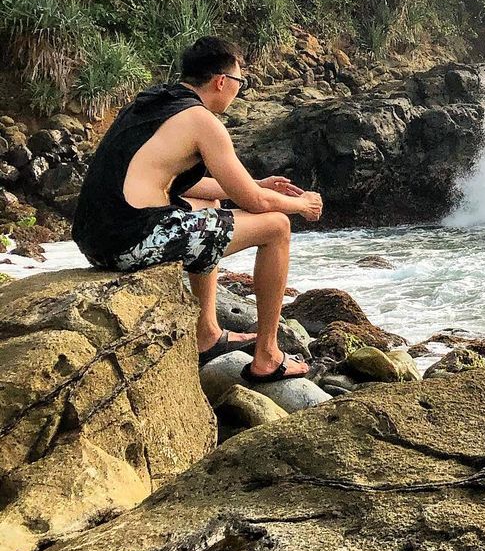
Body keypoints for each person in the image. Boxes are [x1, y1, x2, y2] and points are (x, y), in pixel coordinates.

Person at [72, 36, 322, 383]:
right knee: (277, 226)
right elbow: (257, 205)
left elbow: (183, 185)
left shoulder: (155, 104)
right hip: (129, 242)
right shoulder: (203, 122)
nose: (238, 90)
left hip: (99, 237)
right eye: (239, 82)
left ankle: (206, 333)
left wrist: (257, 184)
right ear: (222, 81)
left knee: (209, 206)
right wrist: (301, 204)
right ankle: (267, 355)